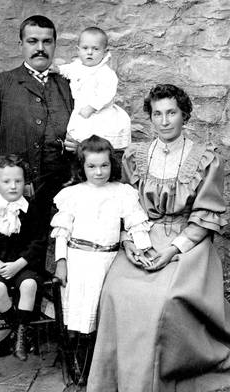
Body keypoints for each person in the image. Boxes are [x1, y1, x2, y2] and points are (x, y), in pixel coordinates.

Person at [87, 84, 230, 392]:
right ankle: (116, 378)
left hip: (187, 240)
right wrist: (128, 240)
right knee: (116, 289)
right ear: (150, 118)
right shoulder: (135, 157)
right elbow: (124, 205)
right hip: (143, 234)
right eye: (157, 114)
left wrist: (172, 251)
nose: (164, 121)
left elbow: (206, 215)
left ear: (185, 116)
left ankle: (158, 377)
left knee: (162, 298)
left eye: (171, 113)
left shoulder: (205, 158)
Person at [0, 15, 75, 266]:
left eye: (47, 41)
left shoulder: (69, 84)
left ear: (55, 45)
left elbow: (93, 132)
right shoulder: (4, 82)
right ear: (20, 44)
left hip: (63, 189)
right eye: (33, 41)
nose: (40, 48)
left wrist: (81, 146)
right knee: (21, 268)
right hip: (19, 190)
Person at [50, 135, 152, 389]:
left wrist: (144, 250)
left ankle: (102, 364)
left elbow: (135, 223)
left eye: (104, 166)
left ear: (112, 165)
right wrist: (61, 261)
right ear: (82, 167)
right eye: (92, 166)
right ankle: (77, 358)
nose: (99, 171)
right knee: (80, 310)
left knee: (101, 311)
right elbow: (62, 231)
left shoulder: (122, 192)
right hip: (79, 259)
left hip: (109, 260)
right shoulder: (72, 194)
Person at [0, 155, 45, 361]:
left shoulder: (30, 209)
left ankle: (18, 337)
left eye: (18, 181)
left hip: (23, 263)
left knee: (29, 284)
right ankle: (20, 331)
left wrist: (19, 264)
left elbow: (38, 241)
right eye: (6, 181)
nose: (13, 186)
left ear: (25, 182)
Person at [55, 26, 131, 154]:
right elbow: (67, 70)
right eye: (85, 48)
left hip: (99, 112)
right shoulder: (77, 66)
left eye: (95, 49)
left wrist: (92, 107)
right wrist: (58, 69)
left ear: (105, 52)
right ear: (78, 50)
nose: (89, 52)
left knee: (97, 135)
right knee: (80, 134)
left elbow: (106, 93)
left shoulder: (105, 73)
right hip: (81, 109)